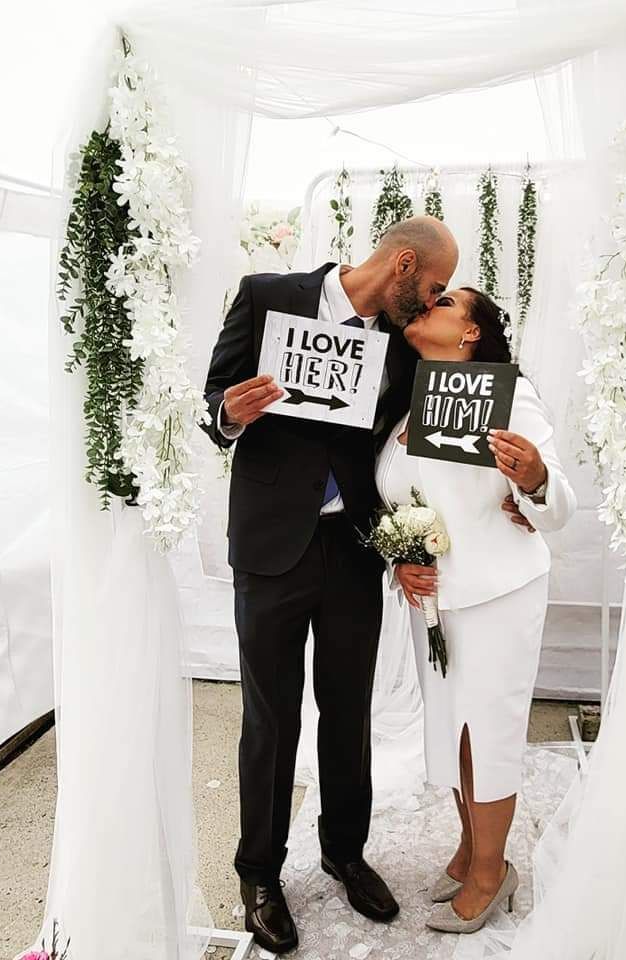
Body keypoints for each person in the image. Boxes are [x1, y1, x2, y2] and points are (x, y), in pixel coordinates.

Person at [201, 216, 459, 954]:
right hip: (269, 547)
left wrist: (508, 486)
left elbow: (410, 447)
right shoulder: (265, 295)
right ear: (402, 264)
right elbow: (213, 402)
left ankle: (344, 852)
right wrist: (229, 414)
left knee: (348, 711)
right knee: (270, 717)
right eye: (434, 285)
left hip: (352, 550)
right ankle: (259, 873)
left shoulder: (400, 343)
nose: (433, 301)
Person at [374, 287, 577, 934]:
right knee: (450, 729)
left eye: (444, 303)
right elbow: (398, 499)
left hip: (498, 594)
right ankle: (469, 847)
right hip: (434, 602)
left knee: (486, 733)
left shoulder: (511, 398)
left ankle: (492, 871)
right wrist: (399, 558)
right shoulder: (410, 401)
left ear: (469, 333)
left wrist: (535, 477)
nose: (425, 305)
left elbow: (558, 505)